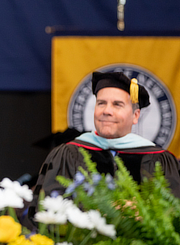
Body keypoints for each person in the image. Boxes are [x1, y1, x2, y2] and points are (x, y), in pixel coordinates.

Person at [32, 71, 180, 199]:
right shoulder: (68, 154)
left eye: (117, 104)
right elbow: (47, 209)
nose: (106, 111)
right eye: (101, 103)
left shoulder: (159, 160)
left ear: (135, 116)